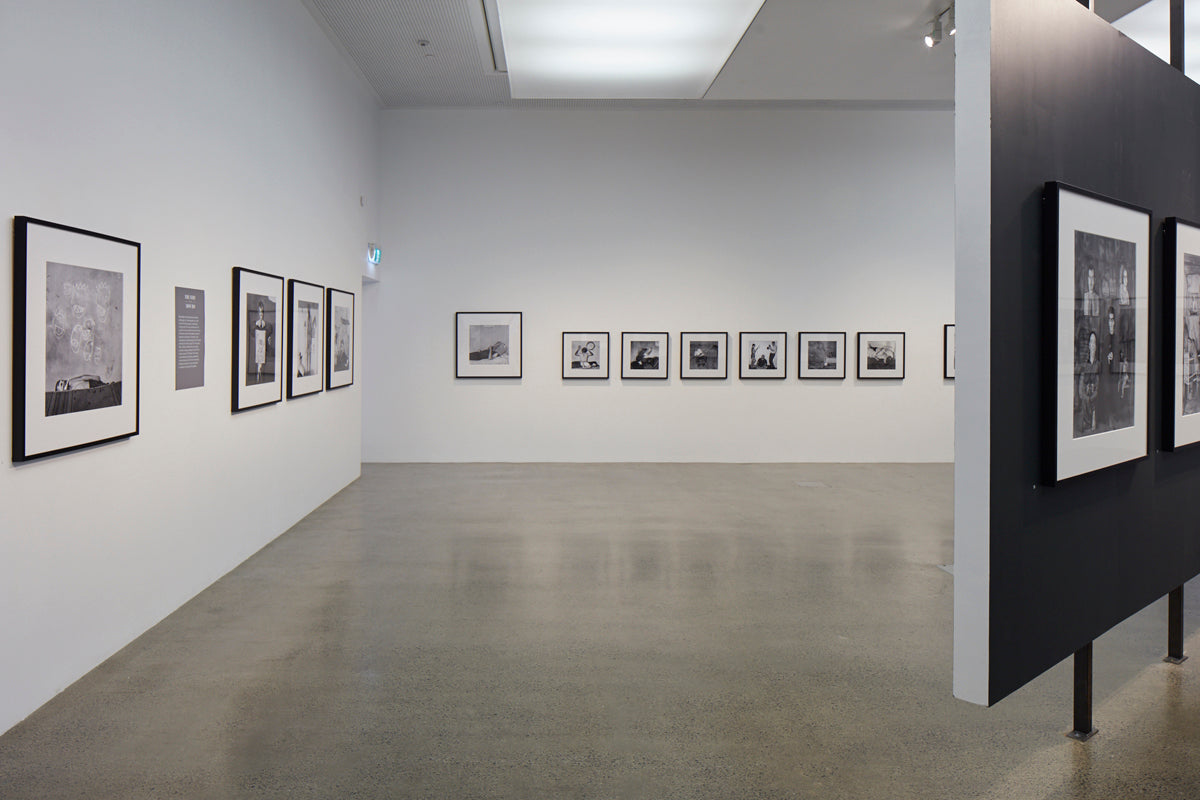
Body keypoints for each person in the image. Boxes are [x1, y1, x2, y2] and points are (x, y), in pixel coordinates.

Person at [1078, 331, 1099, 434]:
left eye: (1094, 342)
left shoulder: (1098, 364)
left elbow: (1098, 387)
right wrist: (1086, 397)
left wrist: (1092, 396)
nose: (1093, 345)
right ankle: (1086, 420)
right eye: (1091, 342)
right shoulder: (1084, 365)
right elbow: (1081, 386)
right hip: (1085, 399)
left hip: (1094, 399)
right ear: (1089, 345)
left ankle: (1093, 417)